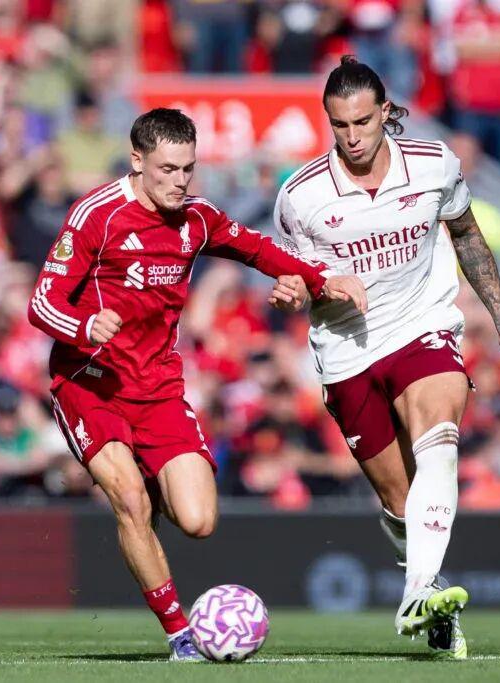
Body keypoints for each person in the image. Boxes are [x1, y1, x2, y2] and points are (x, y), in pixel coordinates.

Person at [26, 108, 366, 661]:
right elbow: (42, 303)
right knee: (130, 501)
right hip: (90, 383)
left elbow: (257, 248)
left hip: (158, 388)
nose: (180, 181)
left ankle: (146, 480)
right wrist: (85, 326)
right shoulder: (96, 215)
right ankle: (179, 633)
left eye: (188, 168)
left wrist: (319, 278)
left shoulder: (197, 218)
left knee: (198, 521)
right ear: (137, 161)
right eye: (168, 169)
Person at [267, 56, 500, 659]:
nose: (353, 137)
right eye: (340, 125)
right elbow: (293, 278)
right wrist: (298, 291)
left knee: (439, 438)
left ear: (385, 112)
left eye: (363, 122)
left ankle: (416, 592)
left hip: (423, 325)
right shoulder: (301, 196)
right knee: (397, 499)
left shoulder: (434, 164)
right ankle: (432, 597)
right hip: (346, 350)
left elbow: (467, 235)